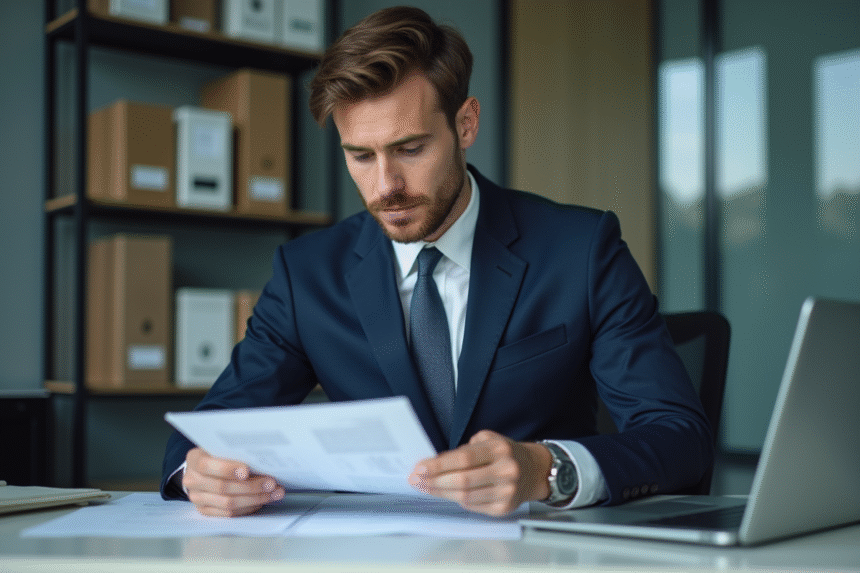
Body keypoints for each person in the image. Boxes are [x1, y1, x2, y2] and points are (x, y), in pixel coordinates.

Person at [161, 5, 712, 518]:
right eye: (361, 156)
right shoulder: (306, 274)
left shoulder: (581, 249)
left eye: (410, 148)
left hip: (539, 551)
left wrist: (548, 469)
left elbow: (679, 436)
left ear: (465, 124)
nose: (386, 187)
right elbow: (203, 436)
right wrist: (200, 473)